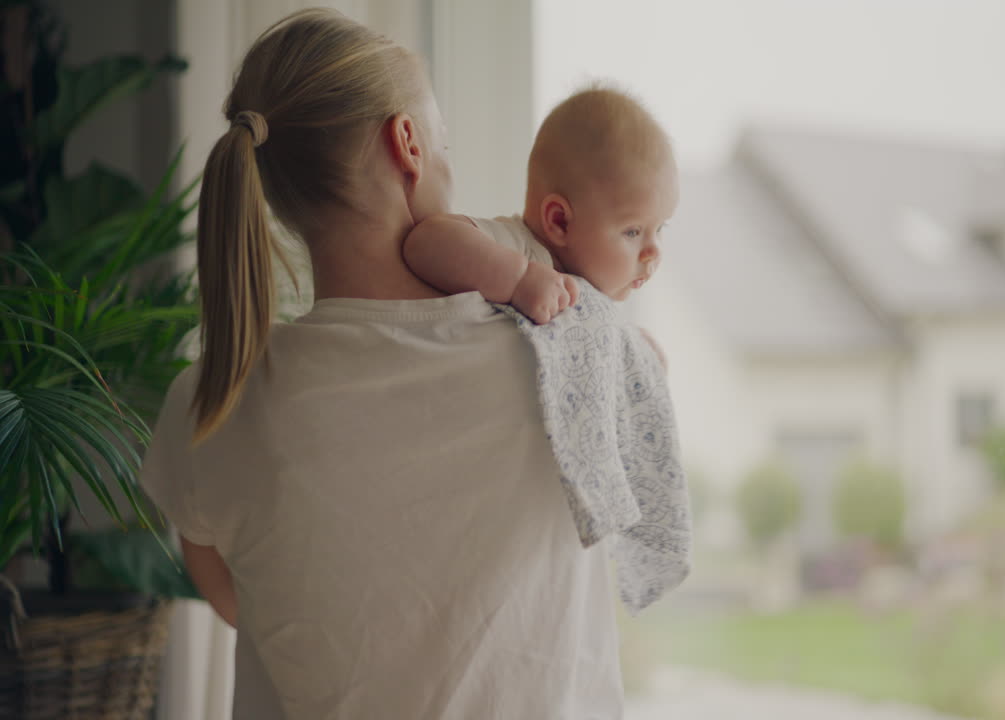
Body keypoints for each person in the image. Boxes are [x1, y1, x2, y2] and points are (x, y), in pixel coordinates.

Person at [140, 9, 623, 719]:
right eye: (444, 141)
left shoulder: (211, 399)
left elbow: (231, 591)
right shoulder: (564, 356)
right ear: (407, 143)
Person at [402, 86, 679, 324]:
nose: (653, 251)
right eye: (633, 231)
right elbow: (426, 241)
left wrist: (634, 349)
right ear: (560, 221)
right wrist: (518, 279)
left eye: (660, 228)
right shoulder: (514, 246)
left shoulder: (599, 299)